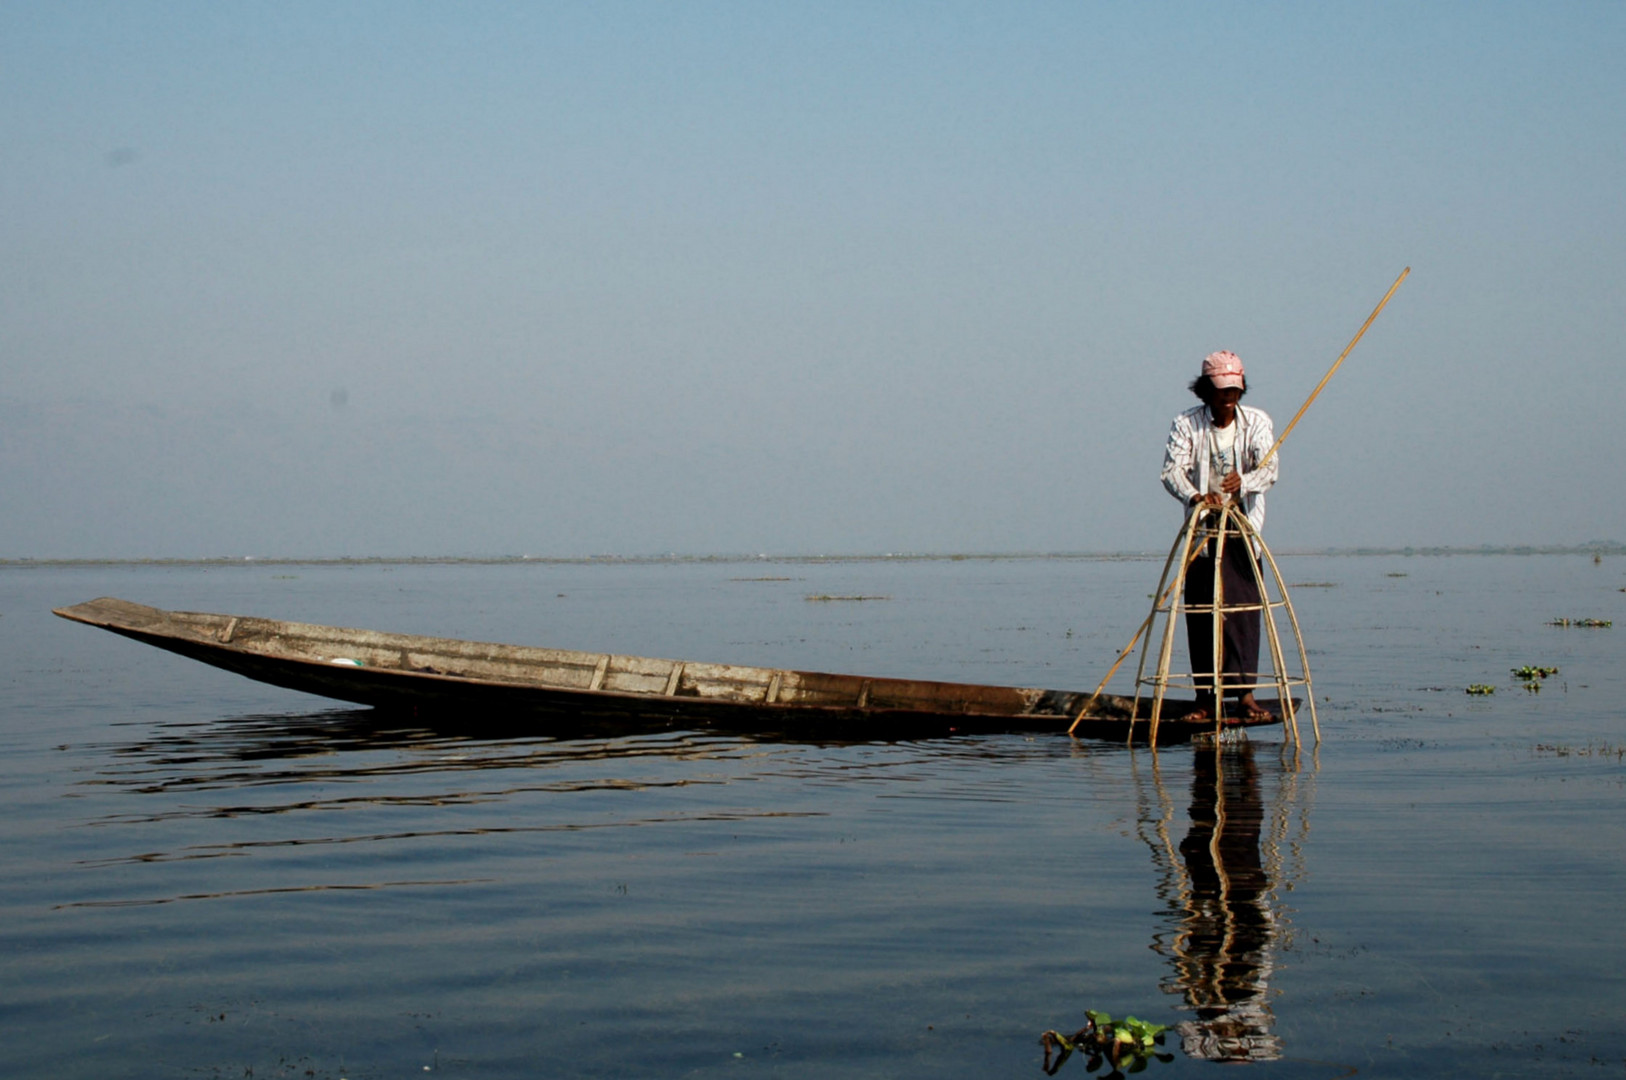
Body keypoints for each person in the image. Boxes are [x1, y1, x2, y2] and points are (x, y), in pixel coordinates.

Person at [1159, 351, 1278, 721]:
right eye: (1221, 390)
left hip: (1242, 531)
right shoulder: (1187, 424)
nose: (1229, 396)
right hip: (1203, 537)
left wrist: (1244, 482)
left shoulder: (1256, 421)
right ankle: (1205, 699)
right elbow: (1171, 472)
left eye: (1234, 390)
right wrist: (1197, 497)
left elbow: (1270, 467)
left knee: (1241, 614)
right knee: (1201, 613)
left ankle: (1244, 696)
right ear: (1206, 391)